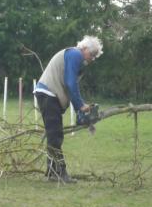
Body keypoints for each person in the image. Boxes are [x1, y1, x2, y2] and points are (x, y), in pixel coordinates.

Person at [34, 35, 103, 183]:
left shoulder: (75, 58)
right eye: (92, 54)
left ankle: (52, 172)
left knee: (54, 134)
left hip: (48, 95)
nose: (92, 59)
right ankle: (61, 173)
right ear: (84, 49)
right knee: (55, 135)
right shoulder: (75, 54)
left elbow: (71, 88)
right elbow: (70, 84)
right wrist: (81, 106)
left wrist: (81, 108)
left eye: (95, 57)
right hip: (48, 94)